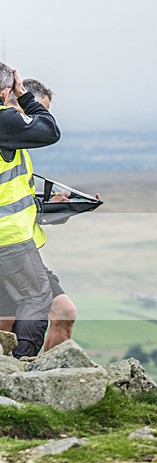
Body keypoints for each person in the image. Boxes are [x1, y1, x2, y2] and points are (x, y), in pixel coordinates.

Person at [0, 78, 77, 353]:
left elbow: (15, 202)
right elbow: (49, 131)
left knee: (63, 313)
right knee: (39, 304)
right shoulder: (6, 127)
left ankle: (27, 381)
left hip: (20, 244)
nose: (31, 122)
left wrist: (57, 208)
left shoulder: (15, 144)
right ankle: (23, 378)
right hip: (11, 245)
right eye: (31, 112)